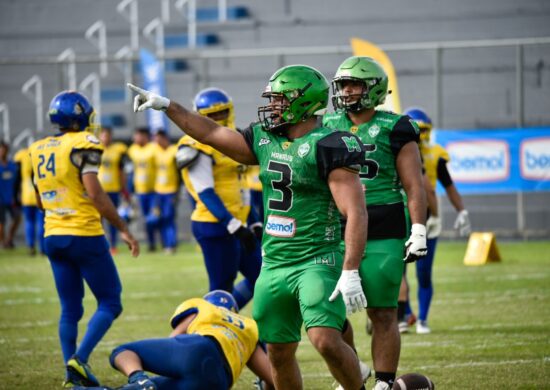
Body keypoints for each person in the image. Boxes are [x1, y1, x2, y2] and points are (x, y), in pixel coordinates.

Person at [128, 63, 370, 390]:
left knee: (325, 339)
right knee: (278, 352)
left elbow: (354, 211)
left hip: (317, 258)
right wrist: (166, 105)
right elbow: (212, 133)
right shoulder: (265, 138)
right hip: (273, 263)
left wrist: (351, 268)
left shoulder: (329, 143)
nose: (272, 106)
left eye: (280, 100)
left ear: (304, 101)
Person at [323, 56, 428, 390]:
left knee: (382, 313)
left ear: (374, 89)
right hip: (336, 225)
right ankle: (353, 370)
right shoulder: (326, 123)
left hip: (383, 225)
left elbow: (414, 184)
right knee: (326, 312)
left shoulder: (396, 126)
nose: (347, 91)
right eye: (343, 85)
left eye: (355, 84)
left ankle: (384, 382)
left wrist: (419, 228)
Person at [28, 91, 140, 387]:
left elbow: (40, 200)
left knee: (70, 309)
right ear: (80, 117)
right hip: (84, 235)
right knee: (110, 302)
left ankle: (72, 376)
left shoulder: (37, 148)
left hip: (52, 235)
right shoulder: (84, 144)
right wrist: (123, 228)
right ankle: (80, 359)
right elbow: (95, 193)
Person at [74, 290, 274, 390]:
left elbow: (174, 339)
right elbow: (272, 378)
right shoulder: (249, 328)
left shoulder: (205, 308)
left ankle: (138, 378)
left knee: (122, 352)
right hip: (219, 382)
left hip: (198, 349)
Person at [176, 87, 262, 309]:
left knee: (262, 279)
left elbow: (242, 186)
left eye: (221, 113)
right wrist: (233, 225)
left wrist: (254, 221)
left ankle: (226, 317)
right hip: (215, 224)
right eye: (210, 116)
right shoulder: (195, 145)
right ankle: (209, 331)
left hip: (239, 222)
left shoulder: (238, 137)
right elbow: (205, 192)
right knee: (221, 287)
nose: (217, 119)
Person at [401, 107, 471, 334]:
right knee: (399, 272)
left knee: (421, 273)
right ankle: (406, 314)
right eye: (416, 130)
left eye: (423, 131)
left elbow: (447, 185)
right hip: (404, 216)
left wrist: (462, 211)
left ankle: (420, 318)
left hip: (425, 218)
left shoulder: (434, 154)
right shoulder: (397, 151)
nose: (420, 136)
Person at [98, 127, 130, 254]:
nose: (106, 138)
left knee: (113, 219)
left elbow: (121, 171)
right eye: (103, 135)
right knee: (97, 220)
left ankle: (113, 246)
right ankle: (100, 245)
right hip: (99, 190)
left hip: (113, 189)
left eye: (108, 135)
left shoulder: (118, 150)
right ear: (100, 136)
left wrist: (124, 188)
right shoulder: (94, 149)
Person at [127, 127, 157, 252]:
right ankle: (151, 244)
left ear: (145, 136)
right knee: (146, 219)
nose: (135, 138)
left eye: (138, 136)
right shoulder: (132, 149)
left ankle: (164, 243)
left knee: (155, 218)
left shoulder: (153, 148)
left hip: (154, 190)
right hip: (140, 190)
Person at [151, 130, 179, 254]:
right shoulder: (154, 151)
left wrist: (177, 191)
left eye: (158, 138)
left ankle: (171, 244)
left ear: (164, 138)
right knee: (160, 218)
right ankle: (164, 244)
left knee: (169, 218)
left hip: (170, 191)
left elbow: (179, 172)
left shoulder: (174, 150)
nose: (156, 141)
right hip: (158, 191)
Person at [14, 145, 45, 255]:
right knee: (41, 222)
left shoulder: (23, 155)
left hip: (27, 195)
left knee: (29, 222)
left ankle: (31, 247)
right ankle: (42, 249)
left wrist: (15, 196)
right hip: (41, 194)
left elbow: (17, 177)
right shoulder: (44, 153)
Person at [0, 141, 22, 249]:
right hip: (1, 199)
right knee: (1, 223)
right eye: (1, 149)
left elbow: (17, 181)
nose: (2, 152)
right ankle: (3, 243)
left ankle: (9, 239)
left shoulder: (12, 166)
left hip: (11, 199)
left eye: (4, 149)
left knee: (17, 218)